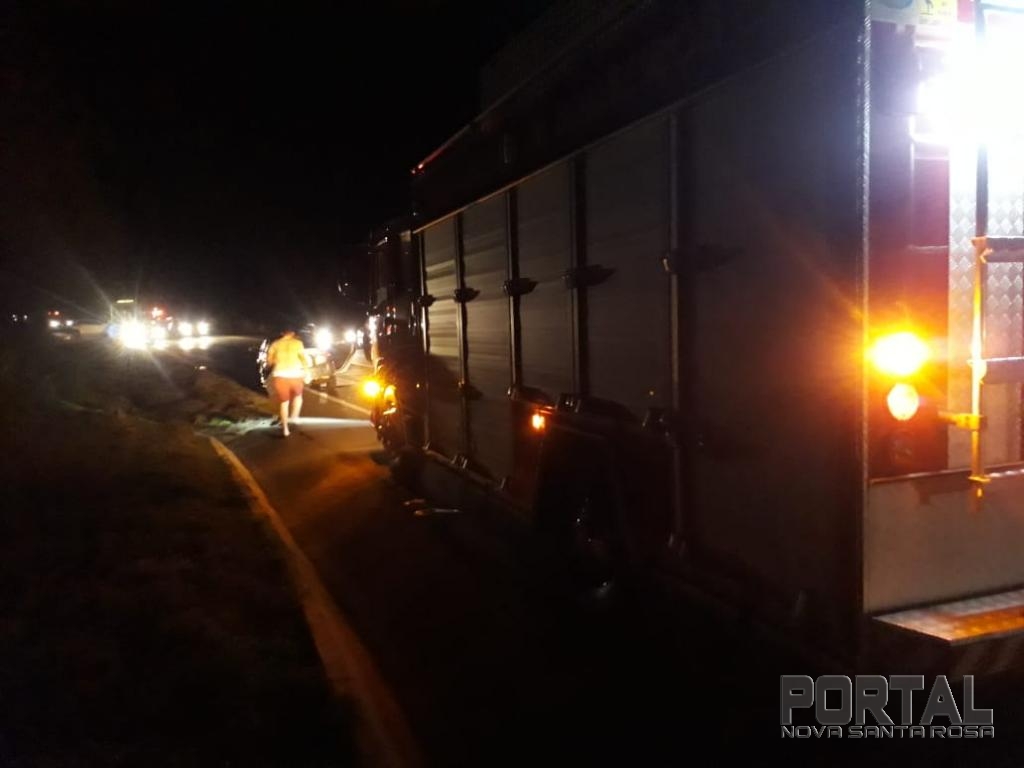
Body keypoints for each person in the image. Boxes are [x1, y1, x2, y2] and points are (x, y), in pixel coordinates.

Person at [265, 327, 311, 437]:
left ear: (282, 333)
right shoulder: (298, 343)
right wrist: (307, 372)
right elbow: (303, 359)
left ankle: (285, 429)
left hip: (280, 375)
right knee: (298, 396)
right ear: (293, 333)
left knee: (284, 403)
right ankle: (294, 416)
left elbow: (269, 362)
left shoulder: (275, 344)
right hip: (295, 374)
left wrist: (276, 360)